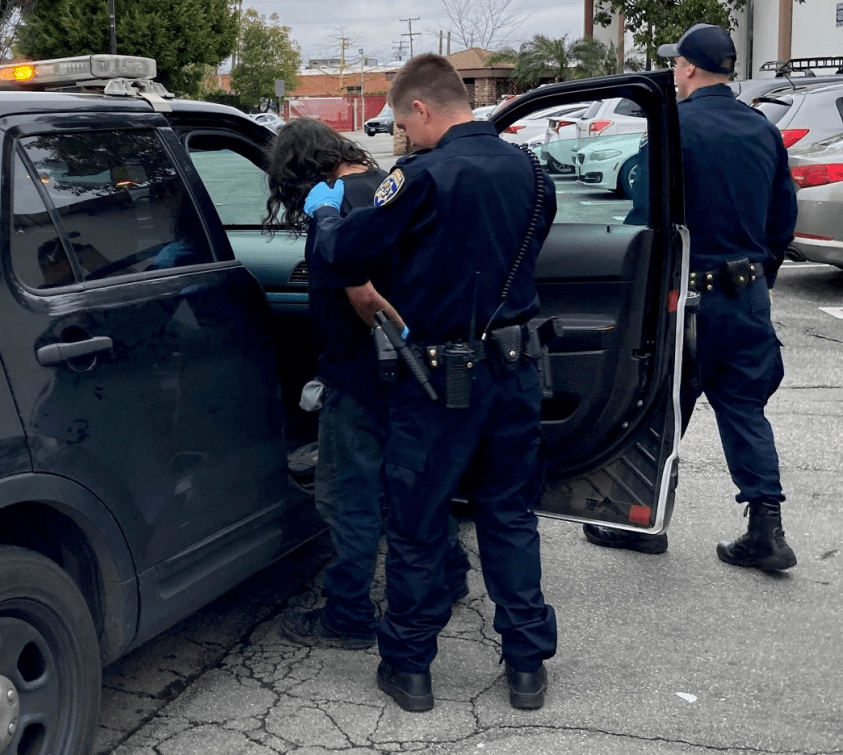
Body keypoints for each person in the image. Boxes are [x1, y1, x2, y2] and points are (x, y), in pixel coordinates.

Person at [302, 54, 558, 711]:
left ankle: (410, 669)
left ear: (421, 108)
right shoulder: (530, 169)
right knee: (508, 516)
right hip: (516, 370)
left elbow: (350, 254)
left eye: (401, 123)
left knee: (417, 523)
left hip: (442, 380)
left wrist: (327, 216)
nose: (401, 136)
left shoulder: (420, 177)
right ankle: (527, 666)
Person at [582, 24, 799, 572]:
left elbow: (644, 217)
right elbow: (782, 218)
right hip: (745, 298)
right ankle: (766, 530)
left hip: (685, 301)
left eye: (677, 64)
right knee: (745, 409)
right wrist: (758, 276)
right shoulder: (761, 129)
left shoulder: (672, 129)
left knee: (657, 408)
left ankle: (642, 522)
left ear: (688, 68)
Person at [263, 118, 471, 651]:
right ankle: (450, 577)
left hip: (358, 381)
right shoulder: (398, 188)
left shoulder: (330, 210)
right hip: (418, 374)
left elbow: (363, 302)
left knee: (348, 497)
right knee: (419, 485)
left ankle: (348, 611)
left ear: (297, 172)